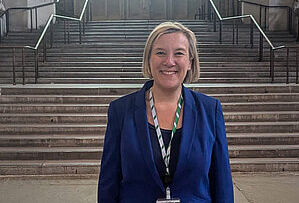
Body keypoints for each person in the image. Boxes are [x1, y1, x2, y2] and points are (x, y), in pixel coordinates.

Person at [98, 22, 233, 203]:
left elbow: (222, 182)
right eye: (160, 52)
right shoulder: (121, 111)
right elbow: (109, 183)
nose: (169, 61)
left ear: (190, 62)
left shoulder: (210, 110)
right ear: (148, 60)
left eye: (179, 53)